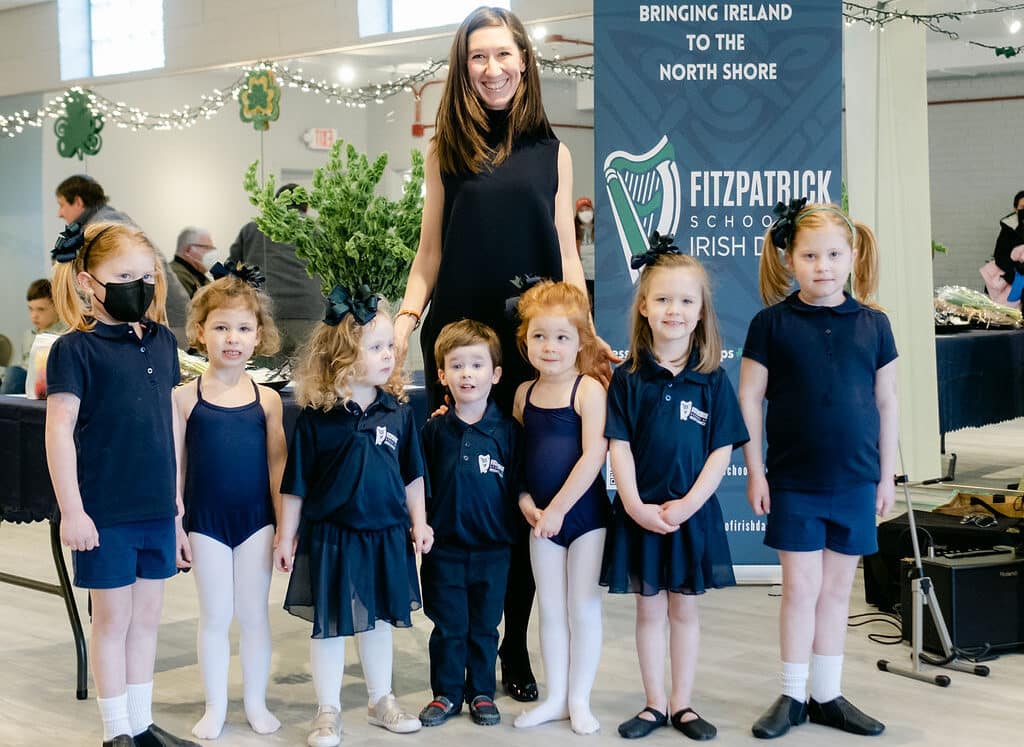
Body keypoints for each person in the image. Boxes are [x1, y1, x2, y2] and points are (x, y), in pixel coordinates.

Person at [395, 6, 607, 701]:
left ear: (525, 60)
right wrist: (402, 325)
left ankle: (512, 647)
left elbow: (567, 254)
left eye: (504, 55)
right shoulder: (443, 150)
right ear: (464, 67)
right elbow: (429, 254)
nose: (492, 69)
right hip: (458, 341)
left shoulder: (553, 149)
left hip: (533, 345)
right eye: (478, 57)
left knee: (520, 494)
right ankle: (456, 649)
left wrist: (582, 330)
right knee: (462, 499)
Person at [739, 199, 897, 740]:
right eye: (809, 255)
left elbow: (887, 401)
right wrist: (755, 471)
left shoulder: (875, 325)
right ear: (789, 259)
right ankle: (792, 693)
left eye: (833, 254)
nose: (822, 265)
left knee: (836, 593)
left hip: (855, 480)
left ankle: (827, 693)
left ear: (852, 255)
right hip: (794, 482)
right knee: (799, 590)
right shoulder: (771, 325)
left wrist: (886, 476)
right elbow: (749, 398)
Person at [45, 220, 198, 747]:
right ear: (88, 283)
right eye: (123, 275)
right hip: (105, 511)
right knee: (112, 620)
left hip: (157, 509)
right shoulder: (75, 349)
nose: (139, 284)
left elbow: (168, 429)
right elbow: (59, 430)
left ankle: (140, 723)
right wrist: (73, 510)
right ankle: (116, 733)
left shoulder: (163, 342)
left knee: (148, 620)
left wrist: (177, 511)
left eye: (146, 274)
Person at [600, 240, 748, 741]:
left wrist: (687, 505)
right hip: (640, 515)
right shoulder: (627, 379)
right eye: (662, 299)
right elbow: (616, 445)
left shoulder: (712, 380)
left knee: (683, 610)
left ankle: (682, 704)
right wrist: (636, 504)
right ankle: (653, 704)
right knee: (649, 610)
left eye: (686, 301)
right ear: (644, 305)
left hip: (690, 516)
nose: (674, 310)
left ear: (701, 309)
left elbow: (721, 451)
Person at [273, 290, 428, 747]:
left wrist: (420, 522)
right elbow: (295, 483)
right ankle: (328, 710)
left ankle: (382, 699)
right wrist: (286, 536)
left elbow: (412, 474)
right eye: (377, 347)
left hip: (384, 534)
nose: (390, 354)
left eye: (389, 347)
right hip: (331, 536)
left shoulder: (396, 410)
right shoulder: (317, 417)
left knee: (377, 620)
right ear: (343, 355)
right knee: (330, 624)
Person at [173, 263, 285, 739]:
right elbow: (175, 470)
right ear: (201, 332)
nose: (232, 338)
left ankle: (255, 702)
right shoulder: (184, 398)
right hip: (205, 522)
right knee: (216, 614)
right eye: (221, 327)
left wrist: (285, 527)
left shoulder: (267, 400)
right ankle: (216, 706)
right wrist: (176, 523)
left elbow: (279, 466)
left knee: (255, 614)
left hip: (257, 520)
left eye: (243, 328)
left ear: (259, 336)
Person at [508, 281, 608, 734]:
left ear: (580, 342)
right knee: (549, 609)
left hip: (583, 518)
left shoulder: (588, 390)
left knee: (581, 605)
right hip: (539, 518)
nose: (550, 347)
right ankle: (555, 697)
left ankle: (580, 698)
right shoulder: (522, 394)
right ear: (525, 341)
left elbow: (593, 456)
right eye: (540, 337)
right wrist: (527, 502)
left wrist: (558, 511)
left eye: (562, 337)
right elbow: (517, 458)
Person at [417, 319, 525, 728]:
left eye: (477, 365)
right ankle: (446, 693)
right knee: (448, 626)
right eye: (457, 365)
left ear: (495, 374)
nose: (468, 374)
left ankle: (481, 691)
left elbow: (519, 484)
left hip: (494, 549)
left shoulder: (508, 432)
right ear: (442, 374)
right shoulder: (433, 431)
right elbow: (419, 486)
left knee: (484, 626)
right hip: (444, 550)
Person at [55, 174, 190, 337]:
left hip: (167, 323)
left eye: (61, 205)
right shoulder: (108, 220)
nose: (59, 213)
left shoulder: (106, 226)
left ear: (78, 201)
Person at [228, 183, 323, 363]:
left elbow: (230, 270)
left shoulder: (253, 228)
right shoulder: (317, 231)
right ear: (305, 206)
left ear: (276, 203)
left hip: (266, 312)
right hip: (309, 313)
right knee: (306, 376)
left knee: (264, 376)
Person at [1, 278, 68, 395]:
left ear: (57, 307)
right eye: (30, 309)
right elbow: (22, 364)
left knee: (14, 373)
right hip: (23, 383)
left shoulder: (65, 334)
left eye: (41, 309)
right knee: (11, 372)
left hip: (45, 381)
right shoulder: (28, 335)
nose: (34, 316)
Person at [170, 227, 217, 298]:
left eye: (212, 249)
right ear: (188, 250)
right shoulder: (176, 276)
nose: (211, 253)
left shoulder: (197, 274)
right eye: (207, 248)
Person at [575, 196, 595, 305]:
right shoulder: (574, 230)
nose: (585, 213)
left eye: (587, 209)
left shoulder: (601, 228)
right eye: (581, 210)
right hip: (584, 276)